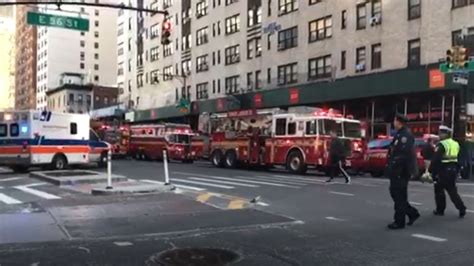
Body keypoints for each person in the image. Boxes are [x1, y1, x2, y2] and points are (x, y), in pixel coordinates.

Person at [386, 114, 420, 230]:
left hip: (401, 171)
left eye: (394, 121)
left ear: (399, 122)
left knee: (398, 195)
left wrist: (394, 167)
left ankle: (399, 221)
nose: (393, 123)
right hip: (397, 170)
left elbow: (403, 155)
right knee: (398, 195)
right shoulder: (400, 134)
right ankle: (412, 213)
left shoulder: (405, 135)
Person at [429, 125, 467, 218]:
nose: (439, 135)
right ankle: (461, 208)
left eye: (441, 133)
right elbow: (459, 157)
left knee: (439, 191)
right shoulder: (455, 143)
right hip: (453, 170)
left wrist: (430, 170)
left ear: (445, 134)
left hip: (442, 170)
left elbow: (436, 159)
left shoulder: (442, 144)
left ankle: (440, 210)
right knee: (452, 191)